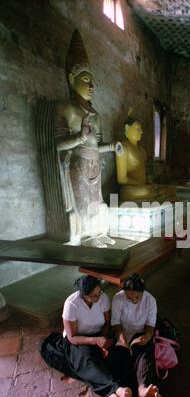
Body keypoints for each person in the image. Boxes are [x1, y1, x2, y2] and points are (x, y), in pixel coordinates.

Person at [55, 29, 118, 247]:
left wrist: (111, 146)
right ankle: (88, 235)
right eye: (85, 80)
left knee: (97, 200)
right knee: (83, 201)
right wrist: (80, 138)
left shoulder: (96, 115)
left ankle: (99, 233)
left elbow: (97, 144)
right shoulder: (67, 109)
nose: (91, 87)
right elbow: (58, 145)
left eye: (92, 82)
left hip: (94, 163)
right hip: (77, 161)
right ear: (72, 80)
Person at [43, 275, 135, 397]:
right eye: (93, 296)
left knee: (119, 355)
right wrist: (95, 342)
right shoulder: (72, 304)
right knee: (87, 360)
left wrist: (102, 340)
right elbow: (72, 337)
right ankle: (114, 392)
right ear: (83, 295)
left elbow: (106, 323)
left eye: (99, 293)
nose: (98, 297)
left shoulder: (103, 298)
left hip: (99, 335)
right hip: (80, 340)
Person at [111, 273, 166, 397]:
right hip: (123, 335)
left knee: (145, 355)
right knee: (120, 359)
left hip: (140, 335)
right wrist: (121, 338)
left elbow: (150, 325)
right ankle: (124, 393)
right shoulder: (118, 298)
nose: (134, 300)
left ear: (143, 293)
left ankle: (143, 389)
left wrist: (147, 336)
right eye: (130, 298)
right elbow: (115, 323)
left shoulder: (150, 300)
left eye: (137, 297)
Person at [115, 115, 175, 201]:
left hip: (143, 187)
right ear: (127, 128)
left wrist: (149, 181)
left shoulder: (142, 151)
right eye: (138, 129)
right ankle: (157, 196)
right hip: (131, 188)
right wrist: (139, 184)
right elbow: (121, 179)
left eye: (141, 129)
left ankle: (157, 196)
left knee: (171, 189)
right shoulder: (123, 148)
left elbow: (142, 173)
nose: (141, 132)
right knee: (146, 191)